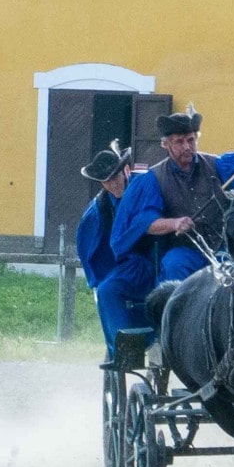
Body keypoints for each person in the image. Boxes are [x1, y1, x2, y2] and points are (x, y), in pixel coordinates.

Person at [110, 105, 234, 282]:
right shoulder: (154, 178)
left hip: (224, 249)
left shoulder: (219, 165)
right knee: (174, 264)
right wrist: (175, 223)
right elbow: (147, 221)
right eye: (179, 142)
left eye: (191, 140)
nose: (187, 147)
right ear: (165, 144)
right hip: (186, 251)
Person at [76, 141, 153, 358]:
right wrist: (103, 280)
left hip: (157, 261)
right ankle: (126, 347)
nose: (112, 185)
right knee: (107, 290)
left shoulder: (147, 187)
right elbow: (90, 252)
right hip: (128, 269)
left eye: (115, 178)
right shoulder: (97, 213)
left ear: (126, 171)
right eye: (105, 181)